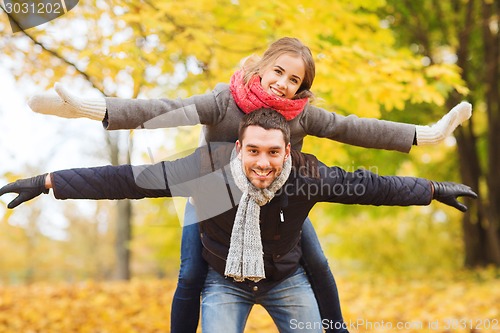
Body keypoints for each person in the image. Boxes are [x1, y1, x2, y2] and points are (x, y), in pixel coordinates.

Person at [27, 37, 472, 333]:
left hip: (282, 199)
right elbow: (159, 111)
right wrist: (90, 110)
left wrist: (424, 136)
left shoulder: (302, 122)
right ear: (262, 66)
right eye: (278, 71)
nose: (282, 83)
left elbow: (357, 132)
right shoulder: (222, 101)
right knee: (189, 274)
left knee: (314, 263)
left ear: (301, 88)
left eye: (294, 79)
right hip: (210, 190)